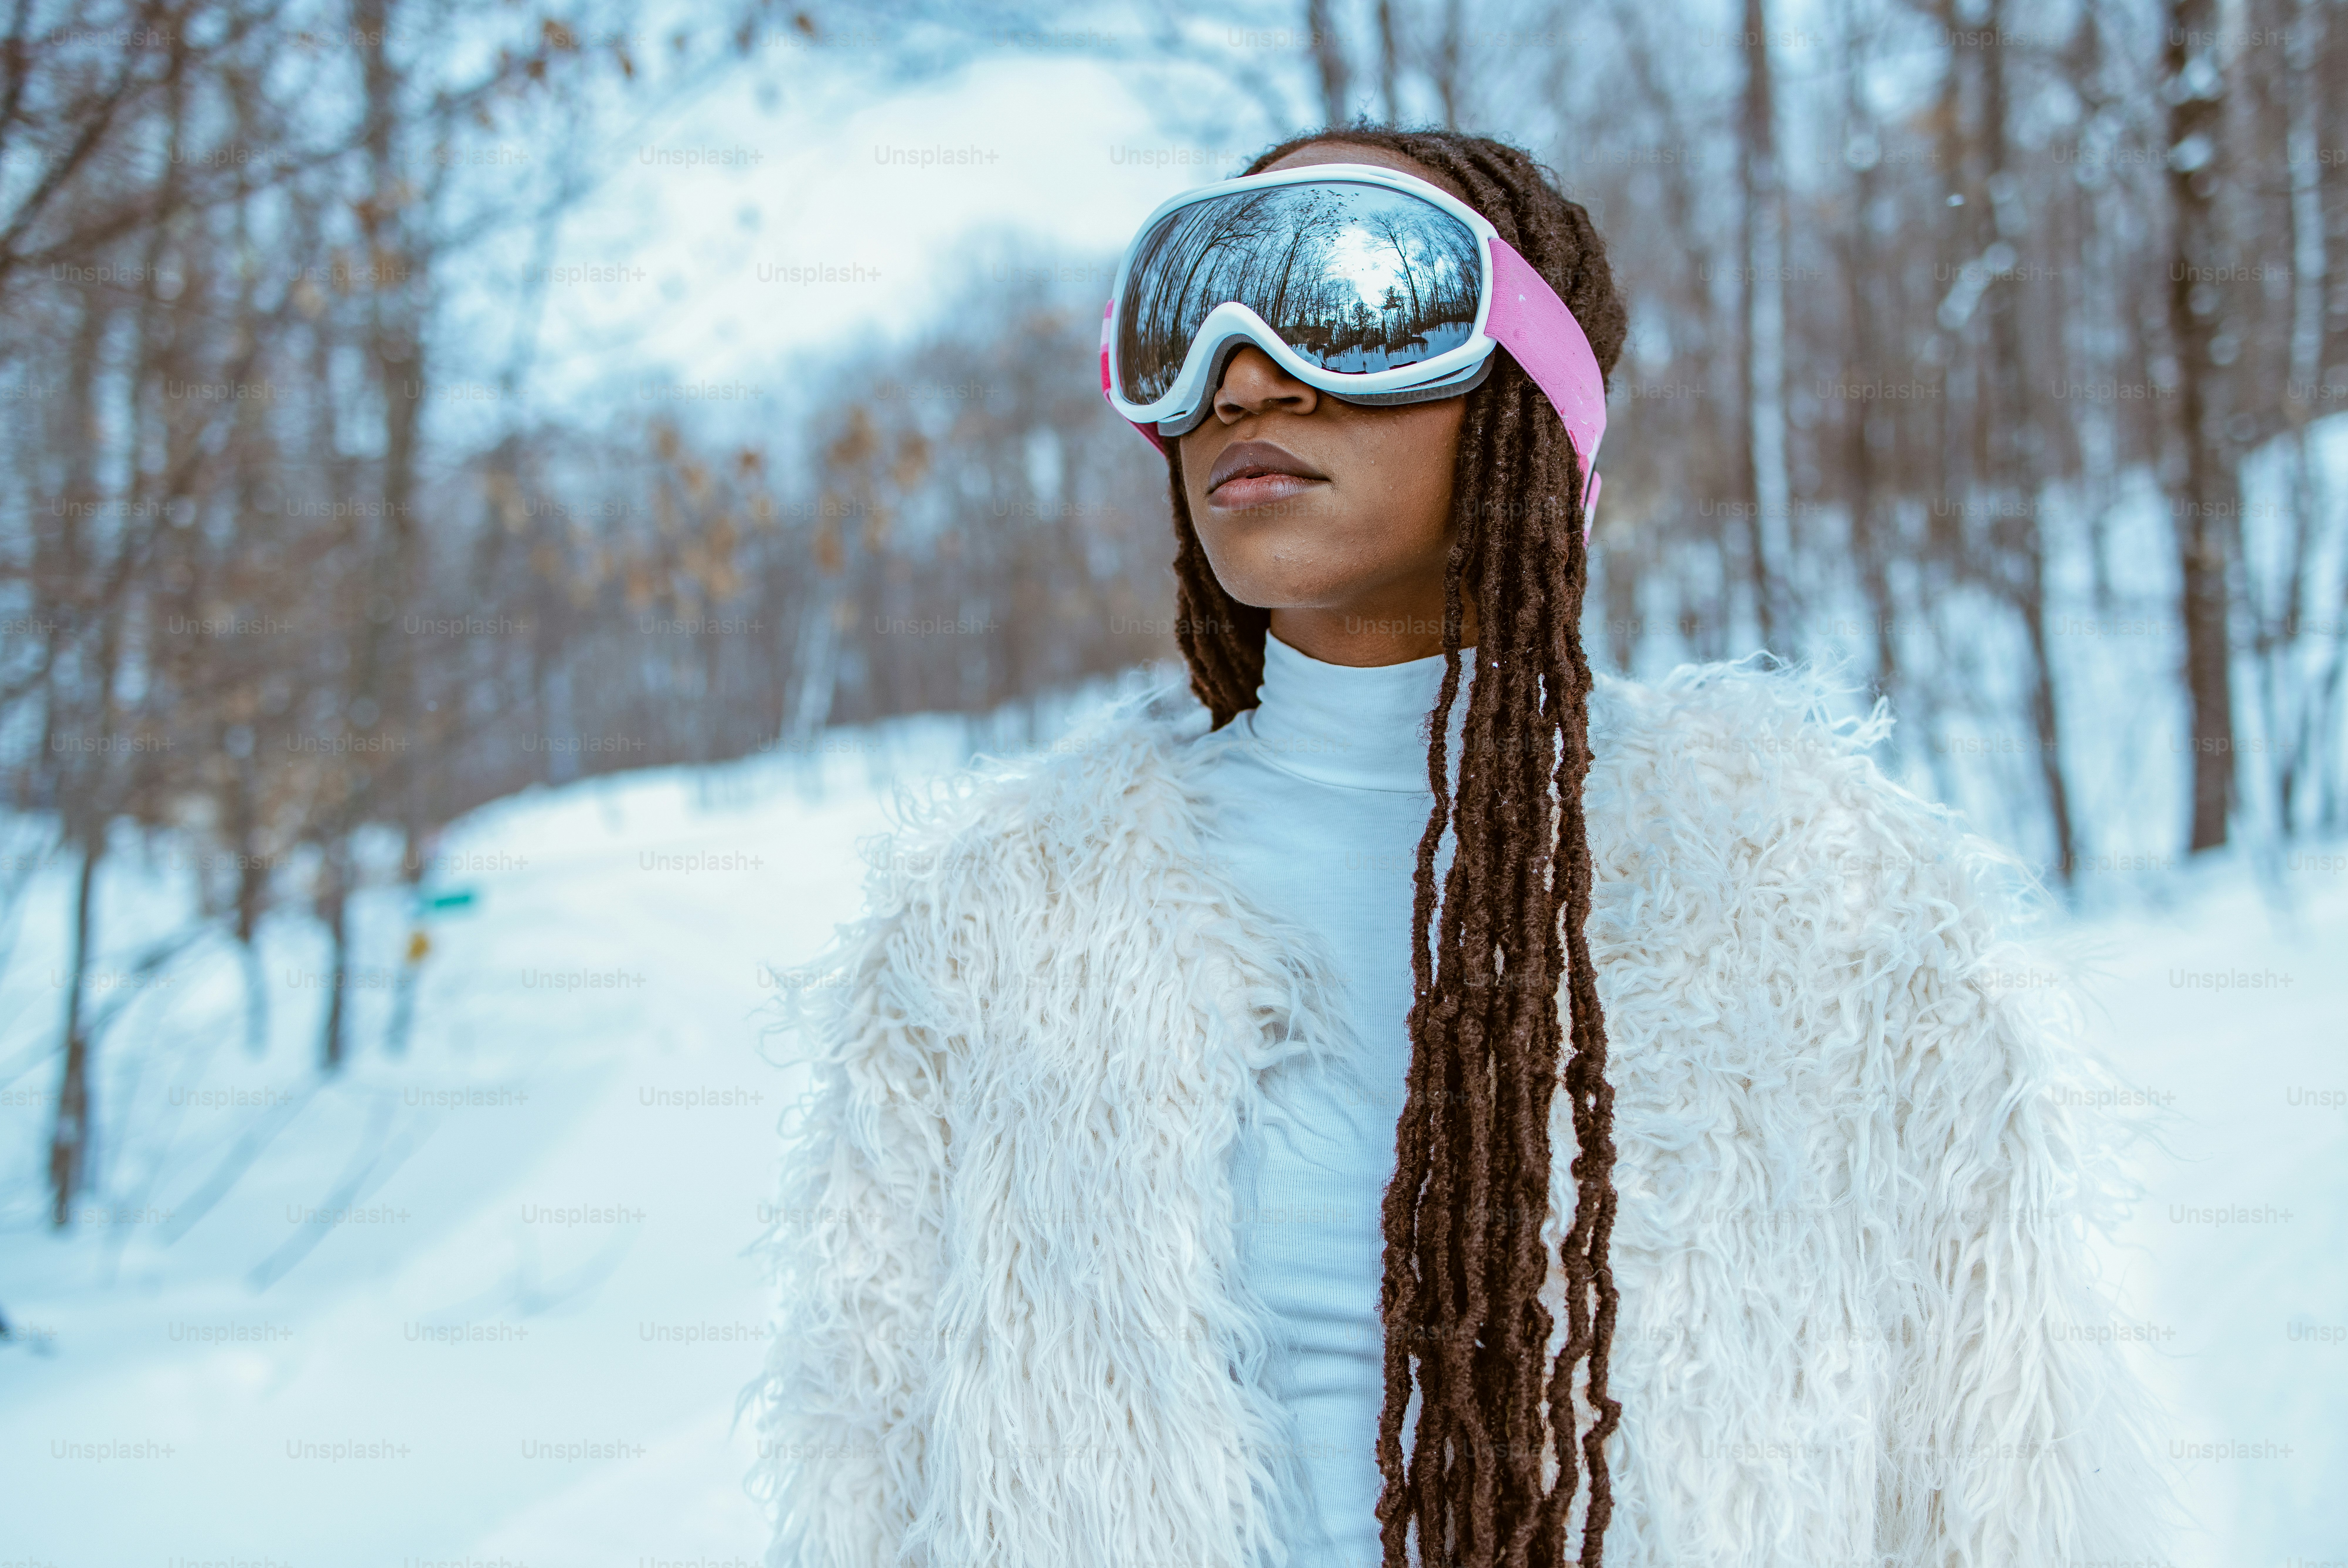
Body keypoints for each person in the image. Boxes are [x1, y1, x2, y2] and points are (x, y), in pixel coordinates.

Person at [745, 128, 2168, 1568]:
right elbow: (876, 1486)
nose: (1243, 381)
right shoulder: (996, 935)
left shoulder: (1820, 893)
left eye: (1354, 294)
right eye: (1190, 317)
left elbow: (2008, 1489)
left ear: (1533, 389)